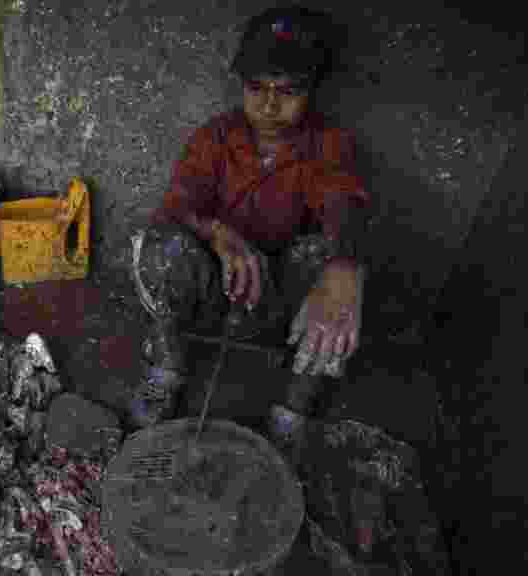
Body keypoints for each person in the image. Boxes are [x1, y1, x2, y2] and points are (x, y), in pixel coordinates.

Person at [128, 4, 370, 438]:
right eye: (257, 87)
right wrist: (215, 231)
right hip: (215, 287)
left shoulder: (327, 144)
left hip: (279, 299)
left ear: (313, 89)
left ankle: (293, 408)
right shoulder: (216, 136)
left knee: (330, 257)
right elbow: (177, 205)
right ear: (241, 85)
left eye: (289, 90)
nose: (270, 104)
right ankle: (166, 370)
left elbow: (342, 202)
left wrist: (345, 268)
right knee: (161, 244)